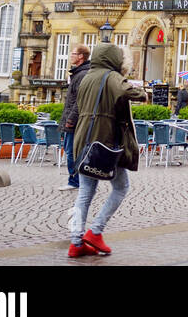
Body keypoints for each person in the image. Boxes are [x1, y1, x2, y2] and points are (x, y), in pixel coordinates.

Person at [67, 43, 146, 258]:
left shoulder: (87, 76)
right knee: (121, 187)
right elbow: (134, 93)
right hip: (105, 141)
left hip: (83, 139)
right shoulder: (111, 77)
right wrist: (142, 91)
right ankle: (96, 231)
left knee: (85, 192)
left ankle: (76, 242)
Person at [60, 44, 91, 191]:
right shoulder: (77, 73)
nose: (70, 56)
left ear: (80, 57)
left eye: (73, 54)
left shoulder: (82, 75)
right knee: (69, 149)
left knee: (72, 151)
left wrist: (71, 120)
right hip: (71, 118)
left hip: (75, 121)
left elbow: (79, 101)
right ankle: (75, 179)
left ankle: (75, 180)